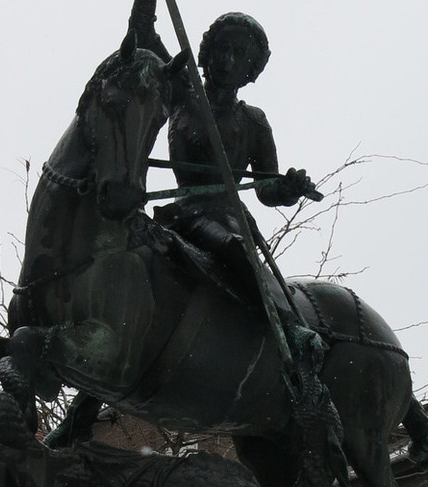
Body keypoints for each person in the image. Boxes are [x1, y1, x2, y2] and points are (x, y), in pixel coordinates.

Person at [129, 1, 319, 300]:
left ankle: (288, 327)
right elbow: (142, 32)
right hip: (181, 212)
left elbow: (266, 190)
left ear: (251, 69)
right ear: (208, 52)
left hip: (225, 220)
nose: (228, 60)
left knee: (236, 250)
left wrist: (289, 189)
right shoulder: (182, 90)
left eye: (240, 54)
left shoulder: (253, 121)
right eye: (223, 49)